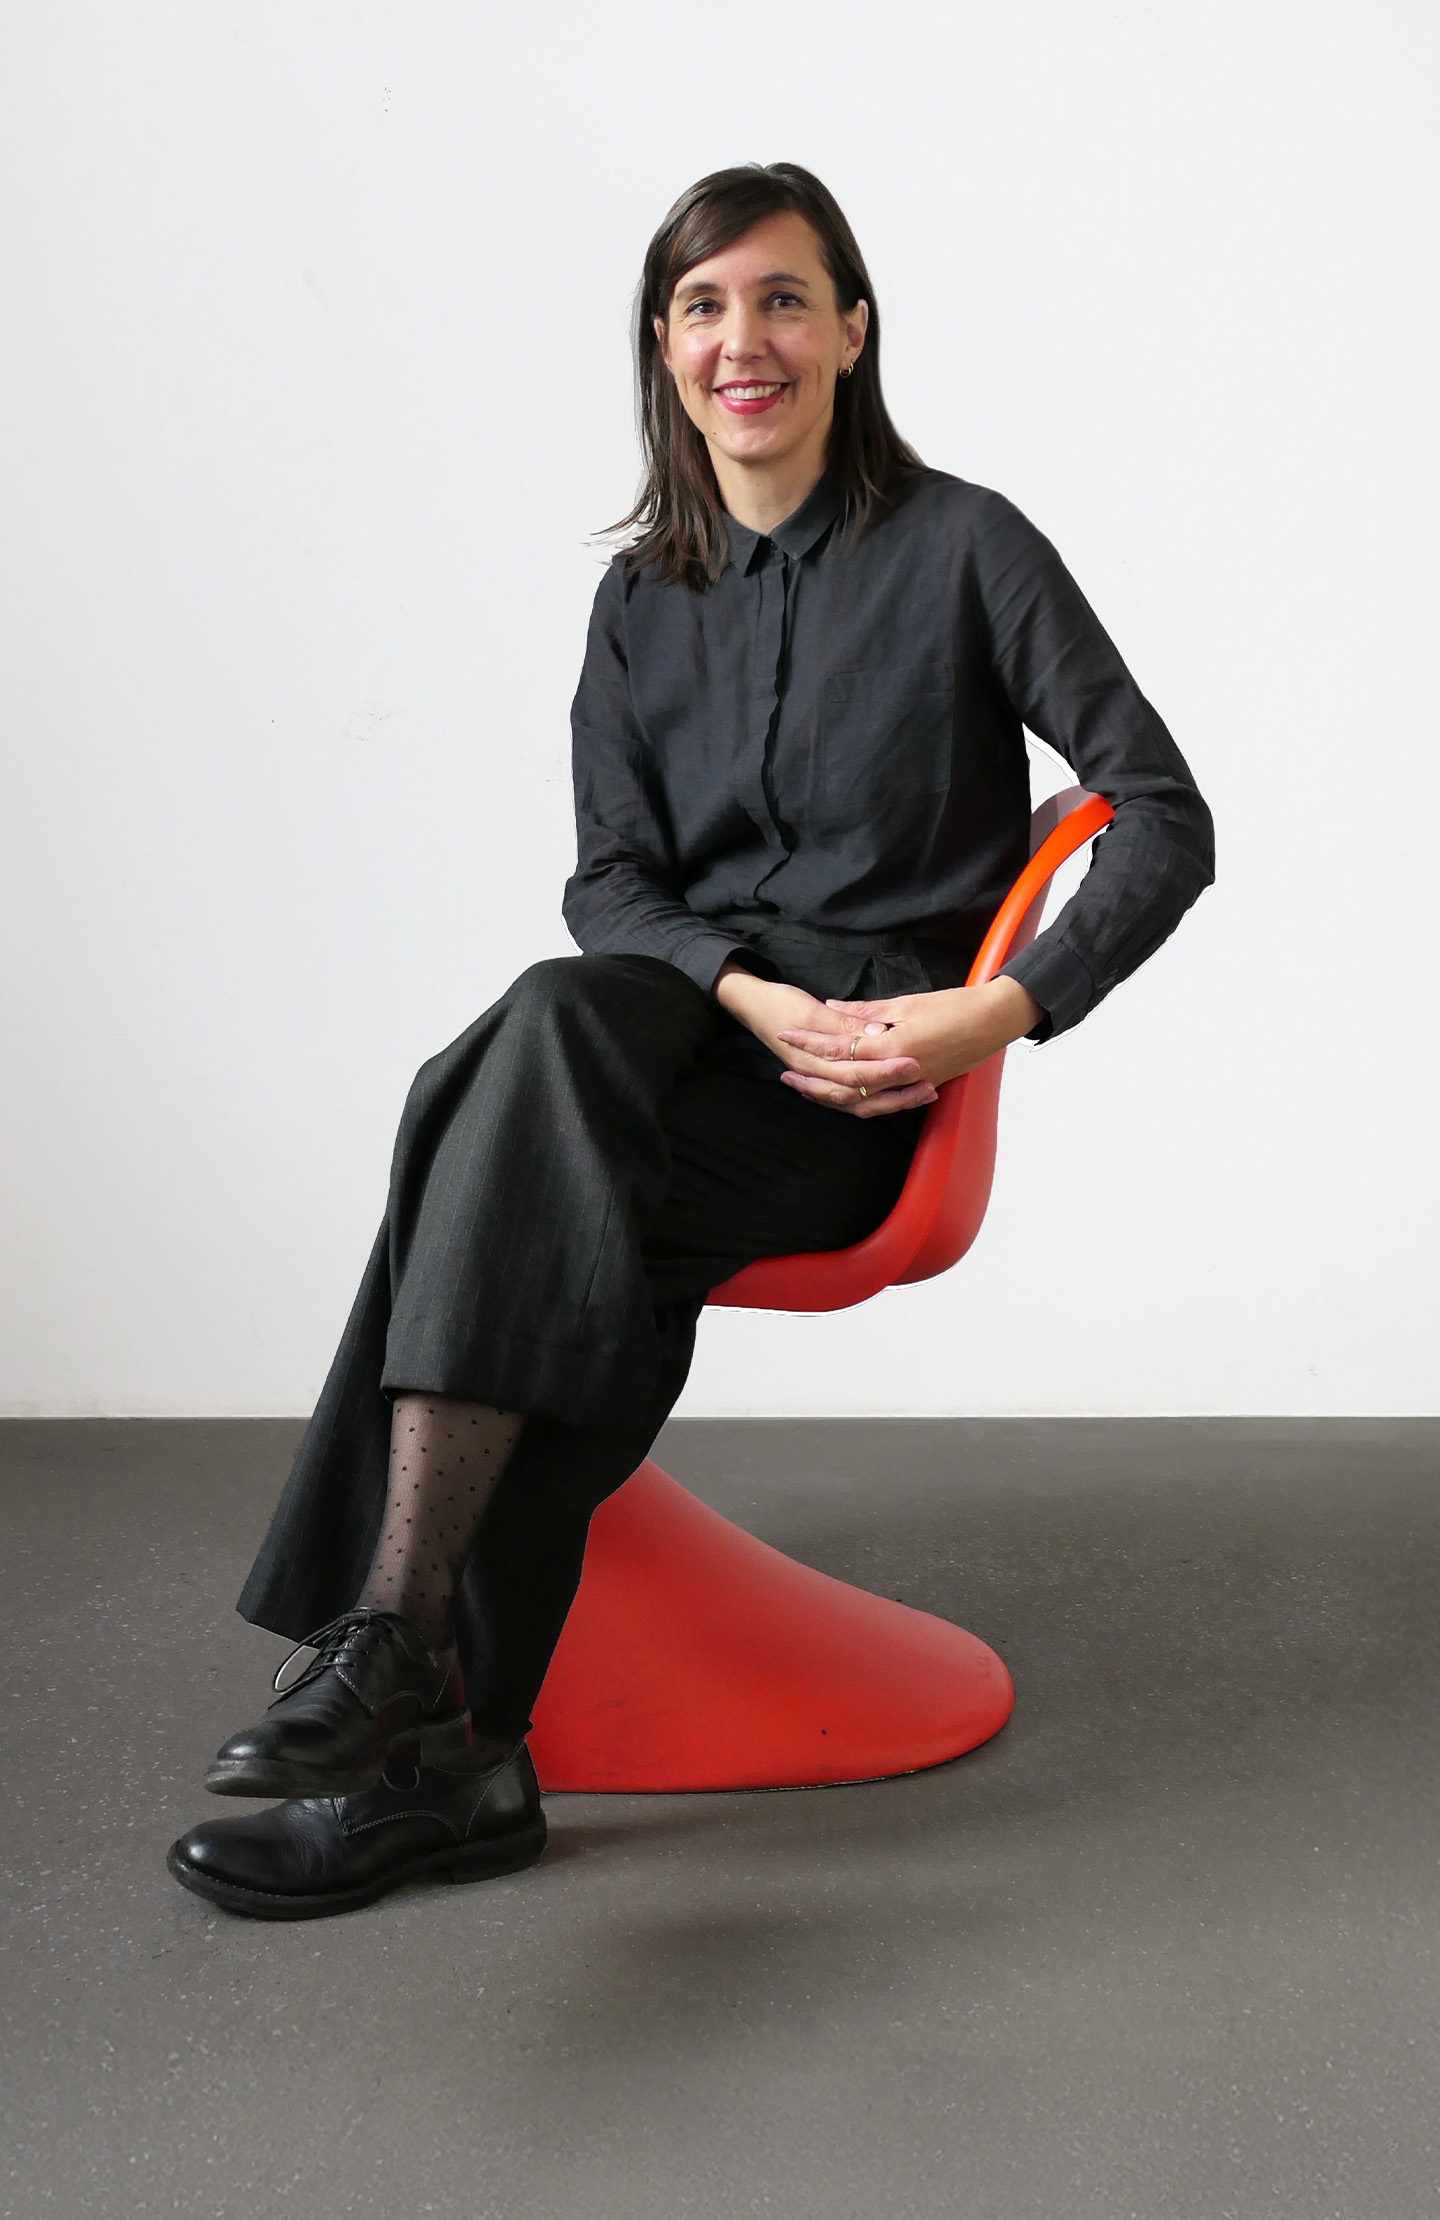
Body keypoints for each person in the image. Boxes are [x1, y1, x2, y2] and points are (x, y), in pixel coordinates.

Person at [168, 162, 1213, 1920]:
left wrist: (993, 1012)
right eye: (707, 306)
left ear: (853, 332)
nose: (748, 339)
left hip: (854, 1084)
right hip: (686, 1036)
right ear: (665, 347)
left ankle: (426, 1725)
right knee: (540, 1045)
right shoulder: (640, 601)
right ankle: (429, 1697)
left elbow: (1165, 814)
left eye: (785, 299)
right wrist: (736, 984)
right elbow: (611, 884)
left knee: (489, 1147)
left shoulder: (969, 548)